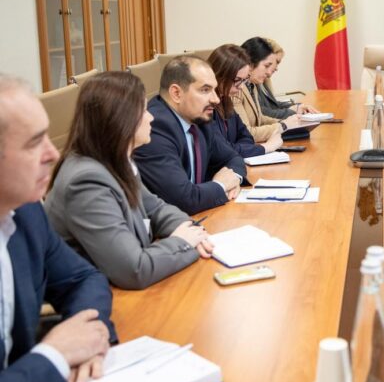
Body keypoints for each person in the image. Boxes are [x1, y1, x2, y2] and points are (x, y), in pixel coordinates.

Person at [0, 74, 115, 382]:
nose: (53, 153)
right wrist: (55, 356)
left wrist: (87, 341)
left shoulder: (25, 212)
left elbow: (83, 278)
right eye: (34, 142)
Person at [44, 72, 213, 290]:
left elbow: (156, 208)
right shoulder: (86, 182)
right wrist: (183, 242)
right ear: (121, 119)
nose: (151, 118)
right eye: (144, 111)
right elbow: (134, 270)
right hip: (97, 298)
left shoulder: (115, 159)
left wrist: (189, 230)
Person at [134, 56, 247, 215]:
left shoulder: (199, 118)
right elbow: (184, 199)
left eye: (214, 90)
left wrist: (233, 180)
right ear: (176, 93)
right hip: (170, 225)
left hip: (201, 216)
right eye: (205, 90)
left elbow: (233, 158)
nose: (216, 99)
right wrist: (220, 186)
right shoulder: (155, 127)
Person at [208, 44, 283, 156]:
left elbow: (246, 136)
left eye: (244, 80)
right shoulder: (207, 108)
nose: (241, 86)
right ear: (219, 75)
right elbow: (221, 150)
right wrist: (266, 147)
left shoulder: (226, 101)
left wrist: (238, 149)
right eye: (237, 80)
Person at [233, 37, 303, 142]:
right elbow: (248, 133)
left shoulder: (252, 85)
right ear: (250, 63)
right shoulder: (235, 89)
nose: (270, 72)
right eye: (266, 66)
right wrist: (283, 126)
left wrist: (288, 123)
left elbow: (260, 118)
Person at [259, 38, 319, 119]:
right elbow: (263, 113)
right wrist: (293, 111)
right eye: (277, 62)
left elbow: (273, 105)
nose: (276, 68)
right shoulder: (254, 82)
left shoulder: (263, 82)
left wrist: (297, 106)